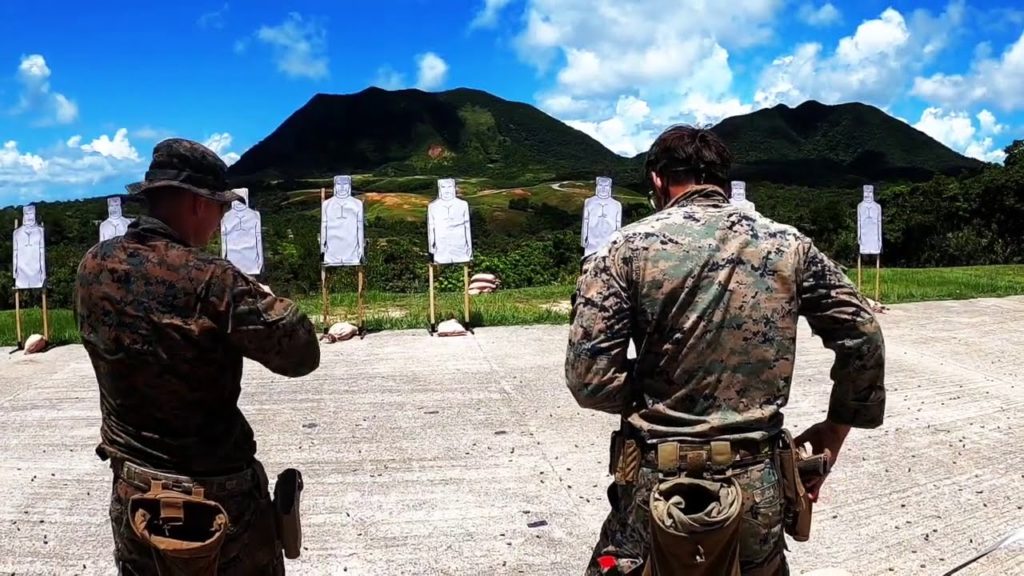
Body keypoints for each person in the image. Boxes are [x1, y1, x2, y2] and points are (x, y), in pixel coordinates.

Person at [566, 125, 886, 575]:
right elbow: (862, 332)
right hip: (758, 485)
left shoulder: (623, 250)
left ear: (657, 180)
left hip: (657, 485)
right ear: (720, 178)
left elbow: (590, 381)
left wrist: (667, 393)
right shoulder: (787, 244)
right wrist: (836, 430)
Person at [75, 138, 321, 574]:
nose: (221, 220)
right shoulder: (213, 279)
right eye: (220, 208)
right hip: (218, 501)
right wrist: (261, 294)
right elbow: (301, 353)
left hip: (134, 492)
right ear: (195, 204)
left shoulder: (94, 265)